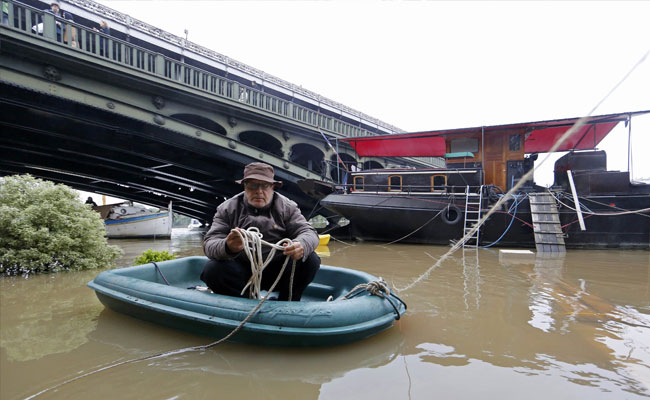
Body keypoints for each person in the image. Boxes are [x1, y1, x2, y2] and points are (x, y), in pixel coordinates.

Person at [201, 162, 320, 301]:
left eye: (264, 186)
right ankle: (243, 303)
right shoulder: (227, 209)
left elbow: (309, 232)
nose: (259, 191)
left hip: (278, 271)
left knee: (310, 259)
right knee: (212, 270)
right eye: (252, 186)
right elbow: (210, 243)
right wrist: (227, 246)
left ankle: (288, 301)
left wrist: (301, 245)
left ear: (273, 187)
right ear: (245, 186)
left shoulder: (288, 207)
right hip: (242, 272)